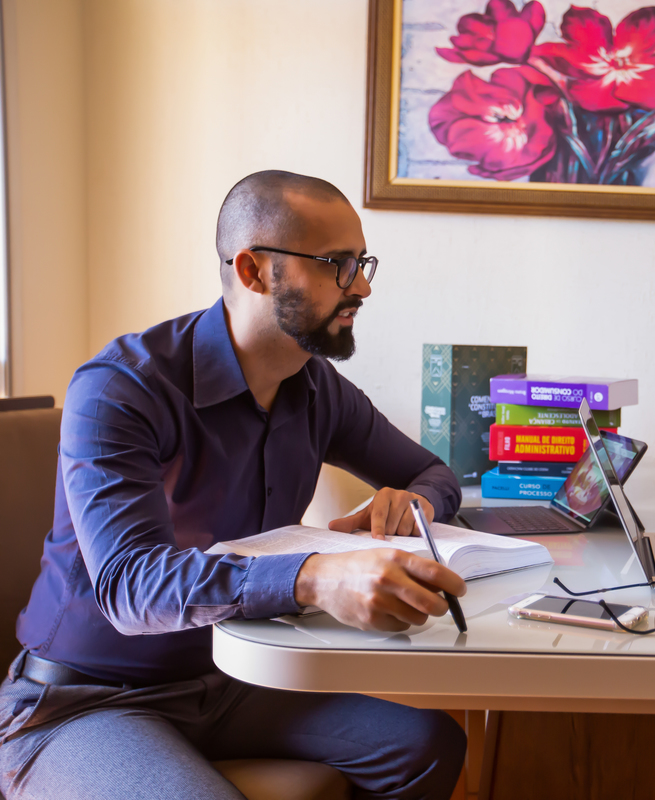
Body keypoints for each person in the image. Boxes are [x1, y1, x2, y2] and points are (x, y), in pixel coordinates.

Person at [0, 171, 469, 799]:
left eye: (363, 263)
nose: (361, 286)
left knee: (429, 745)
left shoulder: (316, 386)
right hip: (82, 700)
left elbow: (435, 474)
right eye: (338, 264)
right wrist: (315, 578)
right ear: (253, 271)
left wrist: (415, 503)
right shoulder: (121, 388)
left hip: (227, 679)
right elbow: (131, 586)